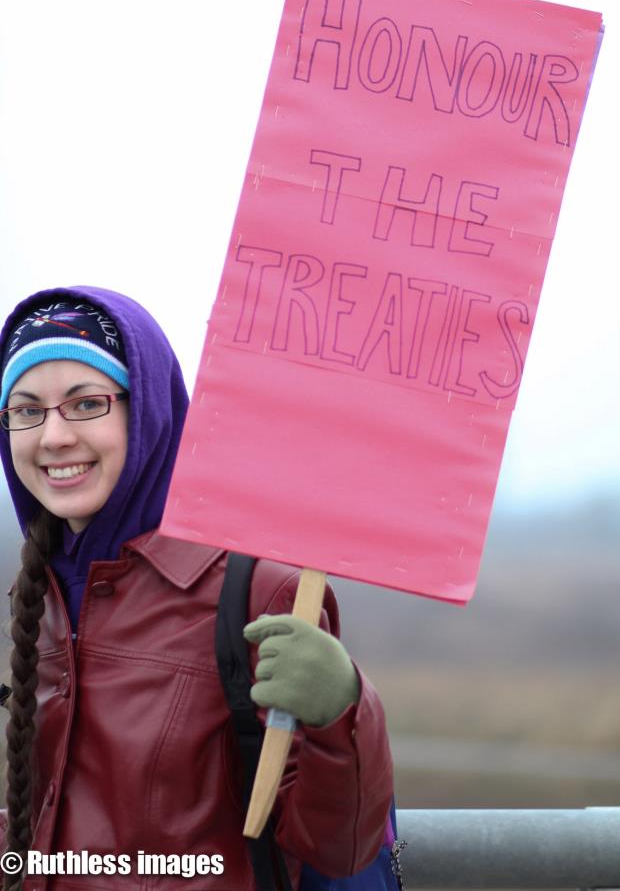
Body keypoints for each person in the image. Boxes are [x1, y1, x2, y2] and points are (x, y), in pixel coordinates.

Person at [0, 286, 393, 891]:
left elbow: (336, 848)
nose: (52, 437)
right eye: (26, 409)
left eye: (85, 404)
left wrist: (344, 709)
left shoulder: (257, 592)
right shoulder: (45, 593)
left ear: (149, 409)